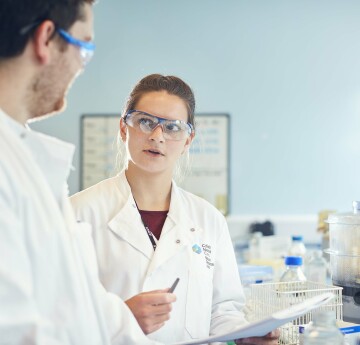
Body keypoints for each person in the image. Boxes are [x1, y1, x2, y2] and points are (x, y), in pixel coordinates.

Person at [0, 2, 173, 344]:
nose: (81, 67)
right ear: (46, 39)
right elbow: (15, 329)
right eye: (84, 47)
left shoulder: (23, 158)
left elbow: (79, 303)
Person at [71, 74, 280, 344]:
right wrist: (118, 319)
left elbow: (222, 311)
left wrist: (245, 335)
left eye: (172, 127)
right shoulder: (78, 213)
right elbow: (54, 312)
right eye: (146, 122)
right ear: (123, 128)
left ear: (187, 140)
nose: (158, 136)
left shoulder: (209, 219)